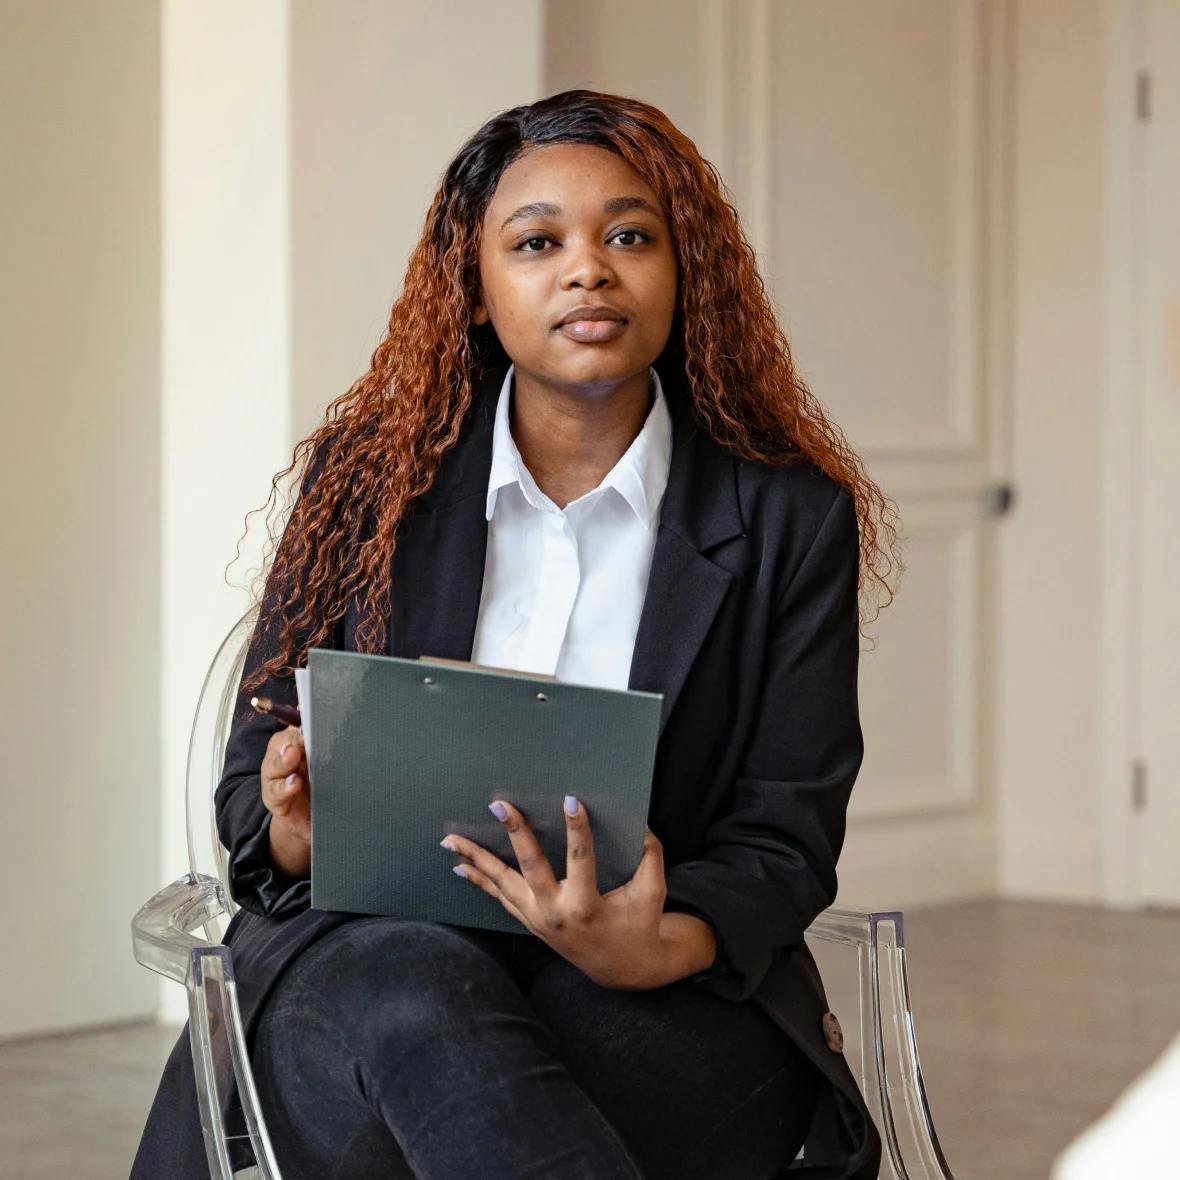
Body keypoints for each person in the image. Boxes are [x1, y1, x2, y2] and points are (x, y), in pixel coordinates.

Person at [133, 89, 898, 1180]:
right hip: (362, 964)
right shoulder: (367, 483)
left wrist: (657, 944)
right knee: (414, 1000)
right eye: (537, 243)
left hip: (651, 983)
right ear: (478, 289)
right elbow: (253, 796)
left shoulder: (787, 516)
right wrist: (300, 825)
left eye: (629, 237)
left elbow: (786, 829)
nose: (588, 270)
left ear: (685, 272)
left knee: (479, 1084)